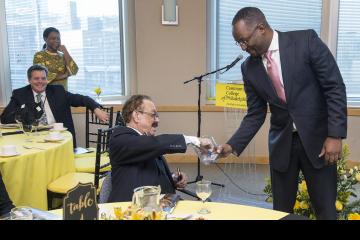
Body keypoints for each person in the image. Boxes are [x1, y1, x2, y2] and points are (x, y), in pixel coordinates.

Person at [215, 7, 347, 220]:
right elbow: (256, 113)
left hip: (319, 142)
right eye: (239, 43)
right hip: (282, 145)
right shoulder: (249, 68)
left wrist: (335, 135)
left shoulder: (305, 41)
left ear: (261, 28)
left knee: (325, 210)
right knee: (281, 213)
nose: (243, 47)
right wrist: (231, 146)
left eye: (244, 40)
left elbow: (334, 87)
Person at [108, 95, 211, 202]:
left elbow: (149, 169)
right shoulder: (120, 138)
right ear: (137, 115)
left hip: (158, 205)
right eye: (153, 115)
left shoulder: (146, 142)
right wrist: (196, 141)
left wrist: (173, 177)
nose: (157, 120)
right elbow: (155, 144)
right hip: (130, 209)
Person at [0, 64, 109, 147]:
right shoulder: (20, 94)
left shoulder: (58, 91)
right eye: (36, 78)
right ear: (29, 80)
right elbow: (5, 118)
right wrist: (22, 115)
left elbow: (82, 99)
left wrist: (96, 109)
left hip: (59, 138)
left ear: (47, 79)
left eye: (43, 78)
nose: (40, 82)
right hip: (33, 140)